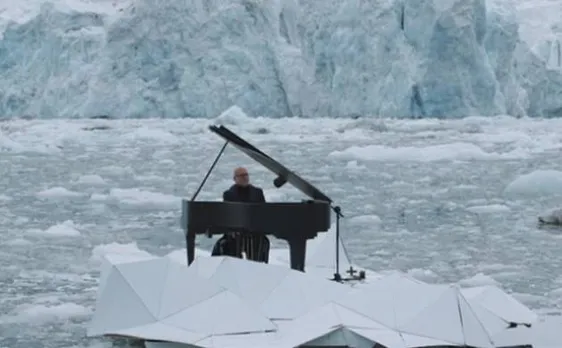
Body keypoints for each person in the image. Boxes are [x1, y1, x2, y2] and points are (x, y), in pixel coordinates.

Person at [211, 167, 270, 262]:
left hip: (254, 232)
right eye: (242, 175)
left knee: (261, 242)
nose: (245, 177)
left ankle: (258, 267)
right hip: (235, 233)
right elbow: (227, 215)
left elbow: (263, 211)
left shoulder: (257, 192)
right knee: (226, 244)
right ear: (235, 179)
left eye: (246, 175)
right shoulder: (229, 194)